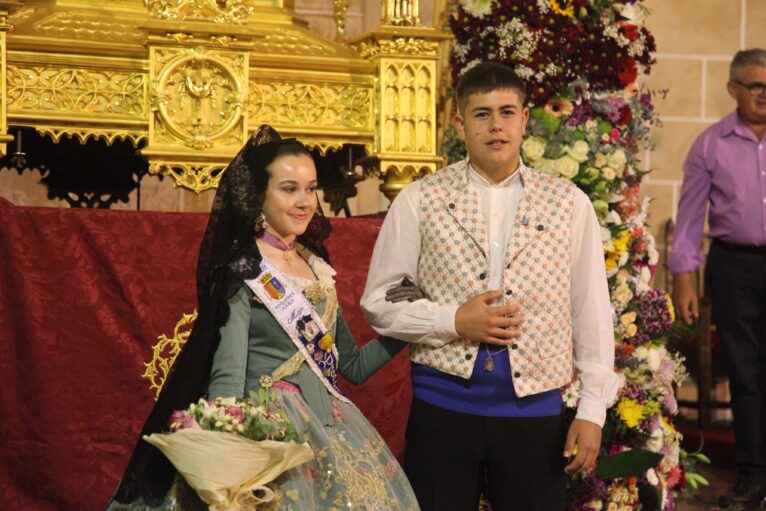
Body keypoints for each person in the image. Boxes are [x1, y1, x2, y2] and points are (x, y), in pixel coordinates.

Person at [108, 125, 420, 510]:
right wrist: (229, 463)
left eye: (311, 188)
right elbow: (228, 375)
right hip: (269, 435)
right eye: (289, 189)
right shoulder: (244, 268)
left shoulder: (317, 266)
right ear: (258, 195)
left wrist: (409, 322)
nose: (305, 201)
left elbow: (351, 367)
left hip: (333, 429)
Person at [361, 61, 622, 510]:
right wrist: (453, 319)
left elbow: (592, 314)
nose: (495, 126)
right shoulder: (420, 199)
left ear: (524, 119)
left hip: (536, 415)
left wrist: (592, 411)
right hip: (442, 410)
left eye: (506, 112)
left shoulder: (569, 203)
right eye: (482, 114)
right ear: (460, 124)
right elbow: (381, 300)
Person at [668, 48, 766, 510]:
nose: (764, 95)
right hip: (733, 267)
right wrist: (685, 280)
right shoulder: (710, 144)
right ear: (733, 89)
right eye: (756, 86)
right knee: (745, 377)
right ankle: (752, 478)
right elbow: (688, 220)